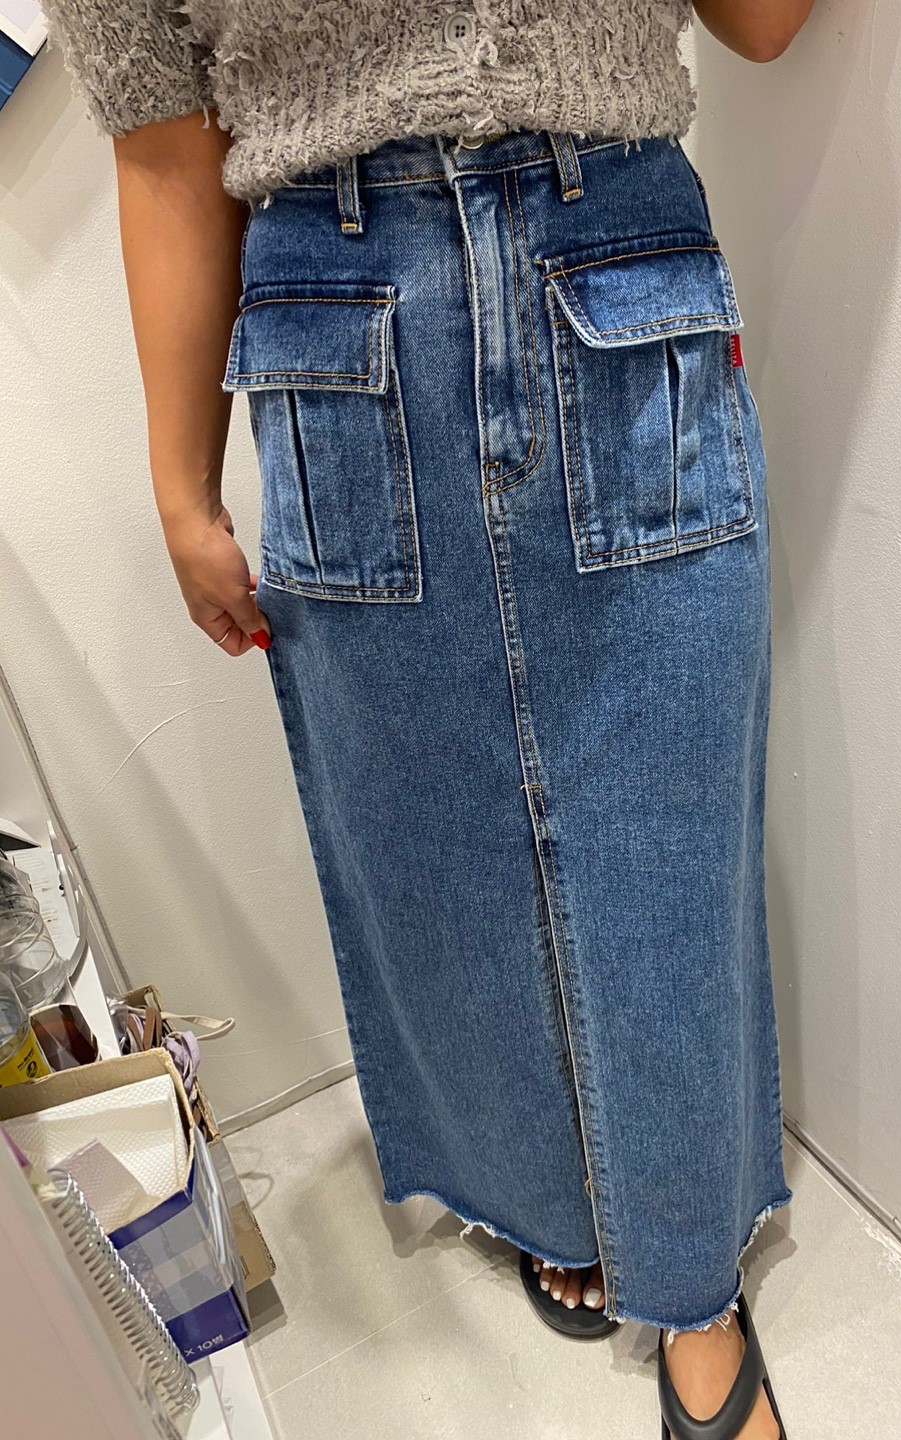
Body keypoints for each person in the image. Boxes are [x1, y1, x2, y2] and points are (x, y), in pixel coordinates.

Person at [41, 3, 815, 1435]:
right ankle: (549, 1197)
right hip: (335, 323)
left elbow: (763, 28)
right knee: (433, 850)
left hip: (615, 261)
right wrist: (181, 488)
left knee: (668, 825)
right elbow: (163, 147)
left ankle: (694, 1286)